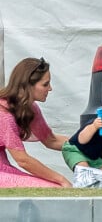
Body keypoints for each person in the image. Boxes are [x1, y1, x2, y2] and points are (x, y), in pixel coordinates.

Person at [0, 57, 72, 187]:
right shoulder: (3, 114)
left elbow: (51, 140)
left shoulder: (30, 108)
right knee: (56, 187)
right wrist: (61, 179)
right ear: (27, 85)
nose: (50, 89)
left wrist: (89, 143)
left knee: (56, 187)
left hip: (3, 168)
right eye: (45, 84)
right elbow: (22, 160)